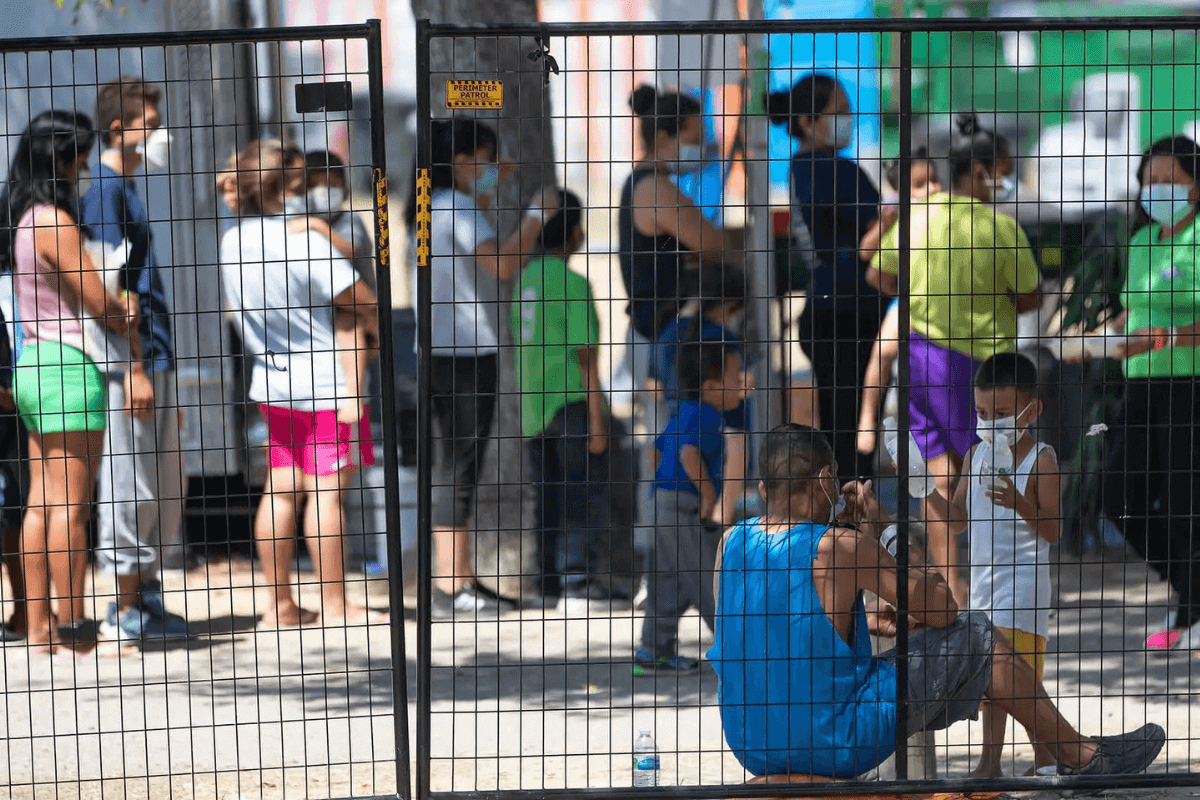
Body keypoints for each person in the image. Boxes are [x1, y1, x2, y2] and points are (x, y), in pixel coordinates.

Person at [708, 423, 1165, 780]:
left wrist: (865, 611)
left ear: (765, 489)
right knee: (978, 632)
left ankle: (1069, 749)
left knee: (934, 634)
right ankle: (1077, 754)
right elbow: (945, 608)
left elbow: (767, 629)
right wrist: (885, 529)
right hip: (834, 740)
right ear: (827, 479)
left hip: (753, 742)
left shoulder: (729, 542)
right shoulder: (837, 547)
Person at [866, 113, 1041, 604]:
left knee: (938, 478)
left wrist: (922, 295)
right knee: (991, 472)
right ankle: (995, 581)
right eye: (1003, 170)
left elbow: (879, 277)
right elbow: (1030, 298)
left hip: (921, 360)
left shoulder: (915, 217)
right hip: (986, 369)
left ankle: (951, 585)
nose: (1006, 180)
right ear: (980, 171)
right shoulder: (1001, 228)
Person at [219, 139, 381, 627]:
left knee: (281, 491)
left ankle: (279, 605)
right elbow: (364, 300)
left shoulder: (232, 241)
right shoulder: (302, 241)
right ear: (289, 185)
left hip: (271, 382)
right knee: (328, 496)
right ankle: (335, 602)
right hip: (327, 383)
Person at [0, 110, 144, 651]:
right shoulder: (54, 222)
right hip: (68, 367)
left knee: (39, 503)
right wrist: (124, 311)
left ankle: (39, 625)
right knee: (71, 509)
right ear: (61, 157)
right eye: (80, 154)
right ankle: (75, 623)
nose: (85, 165)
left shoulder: (22, 220)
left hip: (34, 365)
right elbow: (96, 299)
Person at [403, 118, 558, 619]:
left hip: (440, 349)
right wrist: (537, 213)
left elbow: (476, 245)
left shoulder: (433, 206)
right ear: (461, 160)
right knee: (458, 468)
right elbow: (505, 262)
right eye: (486, 158)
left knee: (454, 464)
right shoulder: (455, 207)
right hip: (465, 352)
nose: (492, 168)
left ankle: (458, 578)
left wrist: (492, 188)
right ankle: (451, 585)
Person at [1072, 136, 1200, 651]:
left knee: (1183, 503)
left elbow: (1166, 323)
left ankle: (1191, 610)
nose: (1157, 190)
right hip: (1142, 385)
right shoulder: (1144, 241)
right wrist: (1104, 337)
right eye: (1149, 181)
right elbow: (1134, 309)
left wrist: (1164, 338)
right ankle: (1193, 595)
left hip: (1190, 385)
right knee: (1119, 497)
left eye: (1170, 180)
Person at [81, 76, 191, 642]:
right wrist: (136, 370)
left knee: (161, 481)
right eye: (151, 125)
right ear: (119, 130)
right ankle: (124, 607)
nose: (159, 135)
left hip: (154, 356)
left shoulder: (124, 188)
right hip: (131, 363)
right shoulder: (102, 191)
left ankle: (146, 595)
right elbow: (112, 290)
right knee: (130, 483)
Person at [618, 84, 741, 568]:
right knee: (677, 447)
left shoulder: (645, 184)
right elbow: (710, 241)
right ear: (666, 135)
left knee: (671, 442)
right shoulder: (655, 188)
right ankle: (666, 552)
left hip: (661, 333)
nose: (704, 146)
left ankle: (665, 550)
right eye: (695, 135)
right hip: (664, 335)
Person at [767, 74, 884, 480]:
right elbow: (876, 233)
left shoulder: (801, 167)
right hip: (847, 316)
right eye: (839, 112)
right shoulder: (833, 170)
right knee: (856, 430)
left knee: (841, 427)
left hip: (825, 311)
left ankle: (843, 515)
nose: (849, 120)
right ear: (806, 121)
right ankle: (851, 519)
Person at [948, 353, 1059, 777]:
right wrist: (926, 492)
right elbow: (957, 519)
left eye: (1001, 414)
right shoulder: (975, 457)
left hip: (1024, 587)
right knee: (992, 683)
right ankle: (995, 763)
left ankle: (1043, 758)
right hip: (984, 587)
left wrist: (1019, 502)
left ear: (1033, 411)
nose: (989, 422)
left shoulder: (1041, 460)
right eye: (981, 413)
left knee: (1019, 679)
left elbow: (1052, 529)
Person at [512, 189, 617, 612]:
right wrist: (597, 420)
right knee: (582, 492)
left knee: (548, 496)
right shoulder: (572, 282)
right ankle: (578, 580)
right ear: (574, 232)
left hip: (534, 407)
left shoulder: (525, 279)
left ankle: (548, 583)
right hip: (571, 400)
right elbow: (585, 357)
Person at [636, 336, 752, 673]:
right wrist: (706, 495)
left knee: (666, 580)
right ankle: (739, 653)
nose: (742, 381)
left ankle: (653, 650)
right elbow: (689, 453)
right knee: (706, 578)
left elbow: (654, 450)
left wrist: (661, 485)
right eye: (736, 376)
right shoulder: (707, 415)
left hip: (660, 503)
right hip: (680, 508)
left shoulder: (684, 411)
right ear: (712, 386)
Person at [856, 152, 943, 457]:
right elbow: (866, 254)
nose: (932, 189)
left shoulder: (947, 214)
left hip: (942, 301)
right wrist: (885, 223)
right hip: (909, 300)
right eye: (920, 185)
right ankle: (867, 417)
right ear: (901, 193)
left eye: (934, 180)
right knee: (883, 352)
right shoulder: (897, 215)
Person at [650, 262, 750, 523]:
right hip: (714, 451)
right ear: (730, 304)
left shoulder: (668, 332)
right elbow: (736, 442)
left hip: (669, 482)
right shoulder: (722, 338)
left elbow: (654, 387)